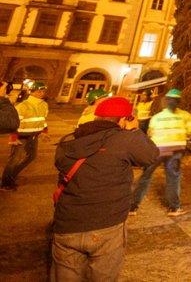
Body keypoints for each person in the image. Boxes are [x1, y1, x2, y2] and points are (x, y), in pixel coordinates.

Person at [51, 96, 158, 280]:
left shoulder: (69, 140)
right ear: (125, 119)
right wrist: (135, 131)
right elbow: (151, 157)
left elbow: (61, 165)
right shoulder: (124, 140)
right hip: (107, 223)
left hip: (67, 223)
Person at [131, 88, 191, 216]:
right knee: (173, 177)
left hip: (157, 150)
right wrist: (184, 138)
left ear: (165, 102)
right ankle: (174, 208)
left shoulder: (157, 117)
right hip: (176, 150)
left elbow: (150, 133)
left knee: (145, 177)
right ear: (179, 102)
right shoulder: (185, 116)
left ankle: (133, 206)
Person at [2, 80, 49, 190]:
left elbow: (43, 119)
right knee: (14, 160)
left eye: (43, 91)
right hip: (21, 137)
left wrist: (44, 132)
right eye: (39, 91)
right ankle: (5, 183)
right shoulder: (23, 106)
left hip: (34, 136)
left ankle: (11, 175)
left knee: (31, 157)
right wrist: (13, 137)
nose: (42, 93)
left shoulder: (44, 105)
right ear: (32, 92)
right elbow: (14, 123)